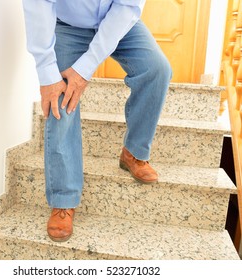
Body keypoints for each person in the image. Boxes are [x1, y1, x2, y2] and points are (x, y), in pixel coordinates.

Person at [22, 0, 172, 242]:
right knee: (61, 98)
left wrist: (86, 67)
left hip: (120, 21)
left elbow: (127, 7)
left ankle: (133, 152)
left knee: (157, 69)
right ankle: (63, 198)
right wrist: (46, 71)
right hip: (68, 25)